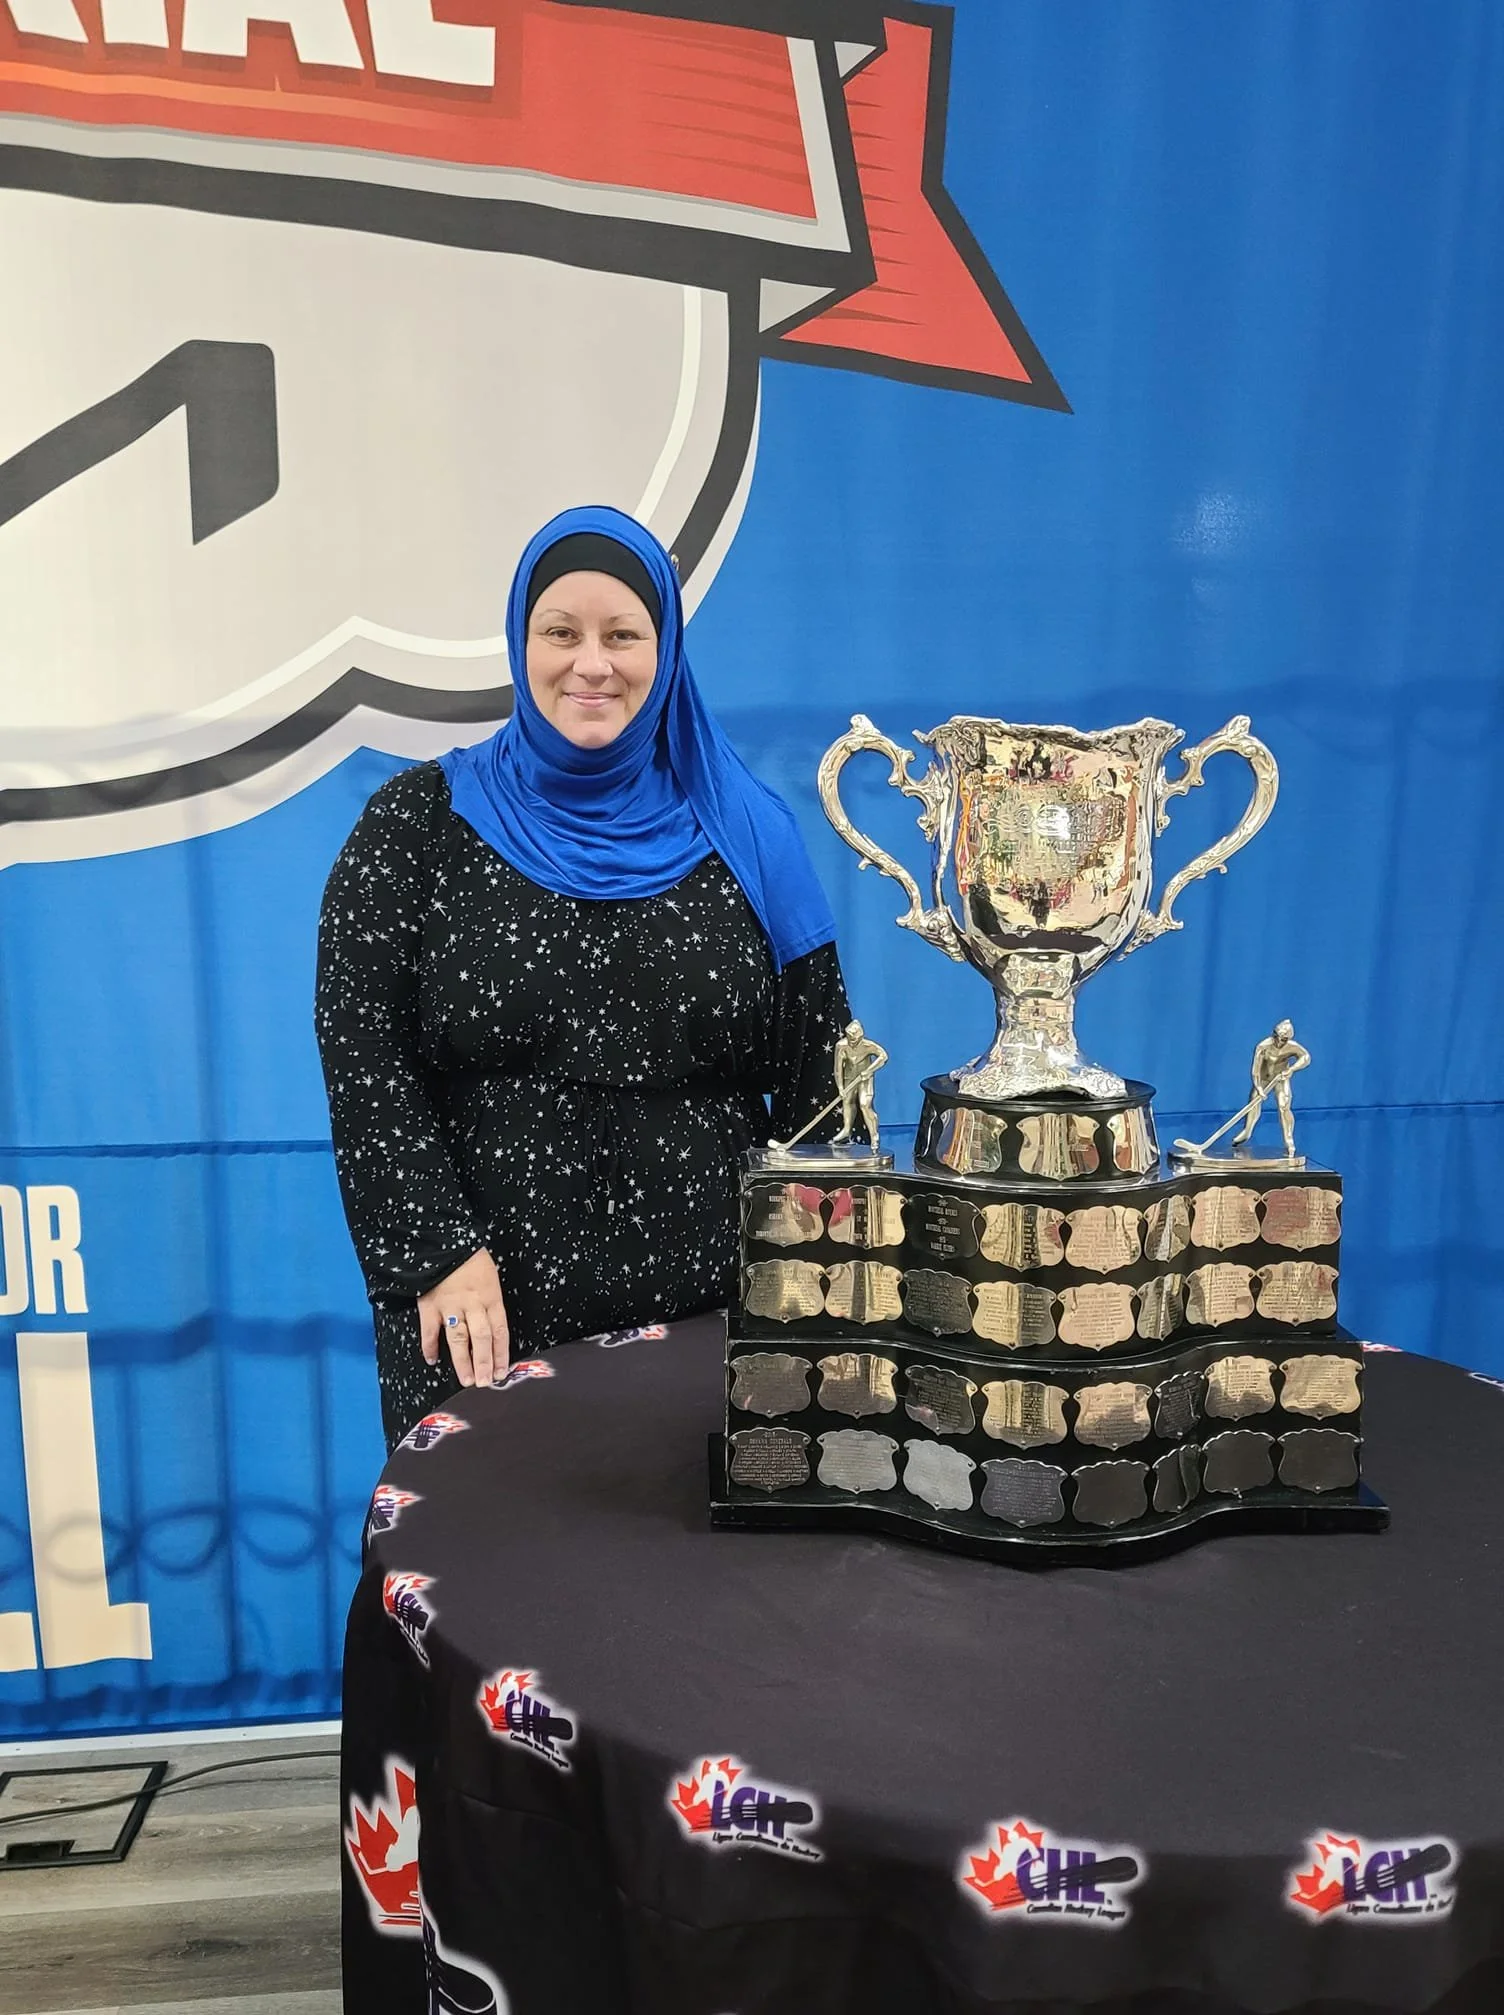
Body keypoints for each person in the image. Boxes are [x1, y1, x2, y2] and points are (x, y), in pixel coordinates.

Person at [316, 505, 851, 1447]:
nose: (591, 664)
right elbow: (365, 1058)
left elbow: (824, 1077)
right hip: (480, 1318)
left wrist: (812, 1290)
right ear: (521, 642)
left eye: (623, 634)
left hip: (710, 1324)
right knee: (484, 1582)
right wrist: (439, 1252)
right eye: (560, 632)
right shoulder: (413, 829)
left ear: (667, 647)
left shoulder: (753, 833)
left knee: (694, 1593)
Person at [1231, 1018, 1309, 1161]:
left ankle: (1289, 1139)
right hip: (1264, 1079)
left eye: (1284, 1039)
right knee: (1254, 1103)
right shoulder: (1263, 1046)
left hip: (1280, 1079)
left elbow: (1306, 1057)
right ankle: (1247, 1132)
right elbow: (1255, 1071)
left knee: (1284, 1106)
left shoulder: (1292, 1046)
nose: (1279, 1042)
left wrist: (1292, 1069)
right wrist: (1259, 1088)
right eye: (1277, 1037)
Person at [832, 1019, 887, 1147]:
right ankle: (846, 1130)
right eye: (850, 1038)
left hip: (865, 1079)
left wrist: (869, 1071)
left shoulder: (868, 1046)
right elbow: (838, 1068)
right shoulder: (841, 1046)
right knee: (847, 1101)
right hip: (849, 1078)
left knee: (864, 1104)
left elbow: (883, 1056)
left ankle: (874, 1135)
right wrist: (840, 1087)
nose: (852, 1042)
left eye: (854, 1039)